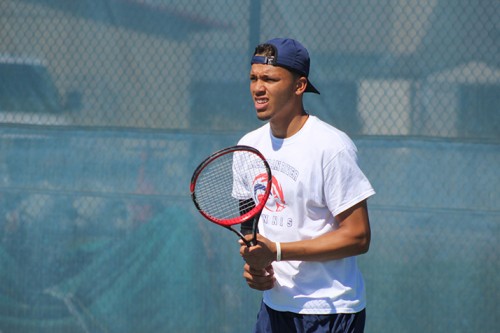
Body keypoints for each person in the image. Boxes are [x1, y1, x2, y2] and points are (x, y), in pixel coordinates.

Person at [237, 38, 375, 333]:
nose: (258, 88)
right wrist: (256, 269)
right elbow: (250, 230)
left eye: (270, 79)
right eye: (253, 78)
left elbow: (358, 236)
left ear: (299, 86)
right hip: (273, 309)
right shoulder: (247, 147)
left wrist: (276, 251)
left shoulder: (331, 147)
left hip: (330, 311)